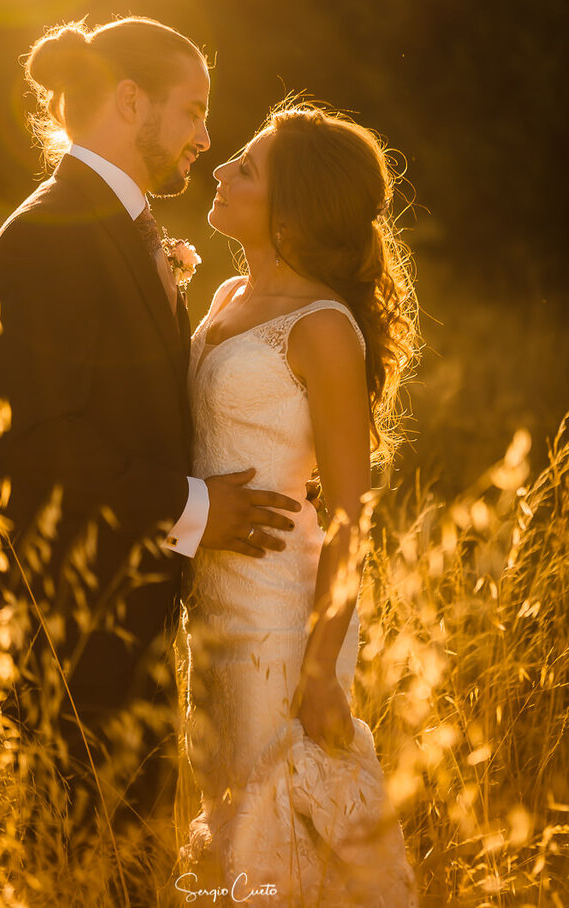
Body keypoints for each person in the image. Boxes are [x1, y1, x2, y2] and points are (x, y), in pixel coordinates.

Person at [0, 16, 301, 823]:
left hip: (123, 620)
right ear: (129, 101)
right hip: (68, 633)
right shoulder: (49, 234)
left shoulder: (117, 224)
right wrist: (197, 508)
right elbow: (45, 441)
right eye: (192, 111)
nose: (205, 136)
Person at [173, 103, 420, 905]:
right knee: (222, 816)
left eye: (243, 166)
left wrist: (319, 669)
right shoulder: (227, 294)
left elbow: (352, 512)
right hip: (209, 602)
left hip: (281, 614)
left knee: (278, 832)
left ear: (293, 207)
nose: (218, 170)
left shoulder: (322, 330)